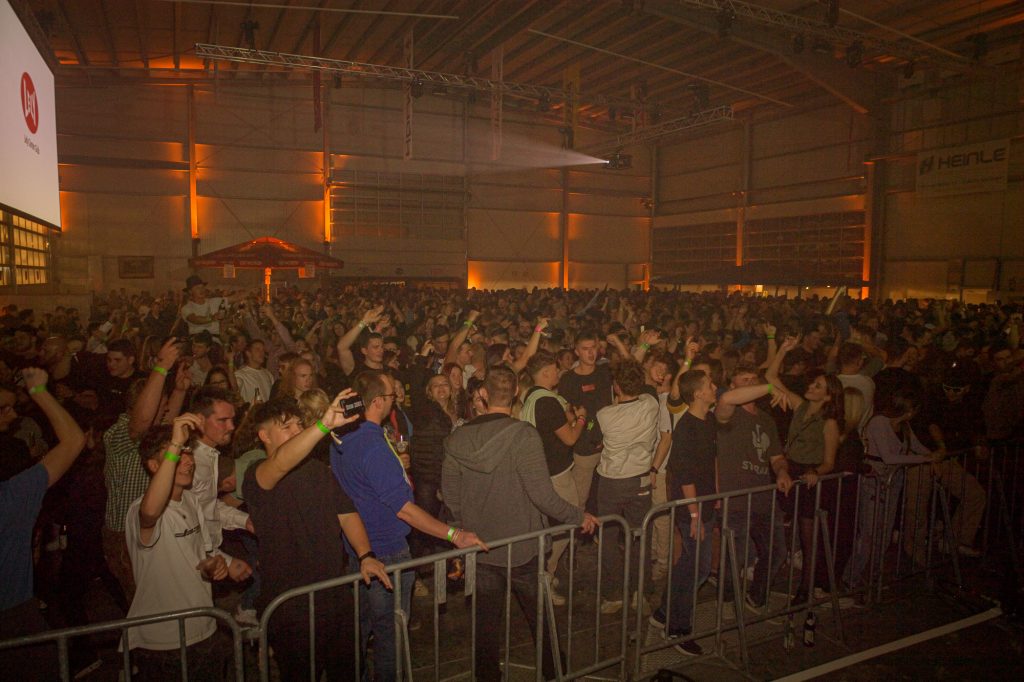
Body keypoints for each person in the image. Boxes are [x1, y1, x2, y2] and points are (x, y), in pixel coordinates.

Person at [443, 365, 598, 681]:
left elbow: (451, 495)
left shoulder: (458, 438)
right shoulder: (524, 435)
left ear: (482, 394)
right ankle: (553, 671)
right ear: (515, 393)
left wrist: (461, 530)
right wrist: (577, 515)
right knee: (540, 617)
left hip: (480, 545)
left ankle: (487, 676)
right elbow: (542, 495)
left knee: (485, 623)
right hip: (523, 546)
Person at [331, 370, 485, 682]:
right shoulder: (372, 446)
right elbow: (405, 511)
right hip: (386, 553)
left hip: (360, 550)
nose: (396, 400)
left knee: (360, 629)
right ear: (377, 402)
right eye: (391, 396)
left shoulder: (341, 438)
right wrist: (454, 534)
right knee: (390, 634)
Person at [243, 394, 391, 682]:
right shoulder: (258, 474)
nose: (297, 431)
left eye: (299, 425)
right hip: (291, 605)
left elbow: (346, 513)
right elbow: (281, 462)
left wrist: (366, 555)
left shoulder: (317, 470)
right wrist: (323, 426)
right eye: (287, 427)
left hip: (335, 594)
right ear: (264, 436)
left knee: (349, 672)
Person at [124, 416, 251, 680]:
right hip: (162, 640)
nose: (188, 461)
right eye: (177, 455)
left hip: (203, 626)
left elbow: (200, 554)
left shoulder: (191, 500)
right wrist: (175, 443)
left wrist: (217, 564)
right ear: (154, 465)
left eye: (188, 453)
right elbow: (150, 513)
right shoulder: (140, 510)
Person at [0, 368, 86, 680]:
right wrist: (38, 390)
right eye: (3, 408)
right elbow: (74, 440)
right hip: (14, 618)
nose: (12, 416)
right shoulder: (12, 497)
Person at [765, 335, 843, 604]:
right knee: (787, 529)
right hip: (789, 469)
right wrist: (783, 350)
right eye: (812, 383)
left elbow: (830, 461)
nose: (811, 386)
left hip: (808, 477)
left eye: (818, 386)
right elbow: (770, 377)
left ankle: (805, 588)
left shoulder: (829, 423)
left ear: (828, 395)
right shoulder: (800, 406)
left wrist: (815, 472)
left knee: (808, 536)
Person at [650, 369, 718, 657]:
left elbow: (710, 462)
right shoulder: (686, 428)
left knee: (688, 564)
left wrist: (716, 495)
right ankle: (677, 629)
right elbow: (686, 476)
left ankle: (664, 613)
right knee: (699, 568)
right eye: (710, 385)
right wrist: (694, 515)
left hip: (704, 503)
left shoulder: (709, 420)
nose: (715, 387)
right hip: (691, 507)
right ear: (698, 393)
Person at [714, 365, 790, 612]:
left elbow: (776, 457)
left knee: (777, 552)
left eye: (753, 379)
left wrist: (782, 471)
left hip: (763, 498)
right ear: (732, 384)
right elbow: (726, 399)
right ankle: (726, 602)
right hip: (734, 499)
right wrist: (769, 386)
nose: (749, 383)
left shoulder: (766, 419)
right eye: (743, 379)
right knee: (733, 559)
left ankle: (756, 596)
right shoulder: (728, 413)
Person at [519, 351, 588, 605]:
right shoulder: (547, 402)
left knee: (553, 524)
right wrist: (582, 419)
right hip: (556, 474)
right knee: (569, 520)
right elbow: (569, 438)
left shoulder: (531, 396)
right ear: (546, 372)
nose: (558, 372)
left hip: (541, 471)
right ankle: (545, 576)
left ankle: (546, 573)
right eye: (555, 369)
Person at [592, 359, 660, 614]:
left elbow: (592, 440)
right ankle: (639, 594)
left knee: (608, 538)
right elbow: (649, 387)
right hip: (640, 480)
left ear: (617, 387)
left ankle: (614, 595)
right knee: (640, 537)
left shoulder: (604, 415)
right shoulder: (651, 403)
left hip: (611, 483)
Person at [557, 330, 614, 512]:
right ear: (577, 351)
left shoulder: (605, 373)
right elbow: (565, 410)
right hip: (584, 446)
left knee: (607, 498)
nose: (590, 353)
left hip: (610, 445)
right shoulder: (568, 379)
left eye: (593, 348)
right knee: (579, 499)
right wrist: (577, 423)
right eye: (585, 349)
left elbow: (633, 369)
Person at [234, 339, 274, 404]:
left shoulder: (268, 373)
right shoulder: (240, 374)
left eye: (263, 350)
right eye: (258, 349)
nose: (262, 353)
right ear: (248, 353)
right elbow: (234, 390)